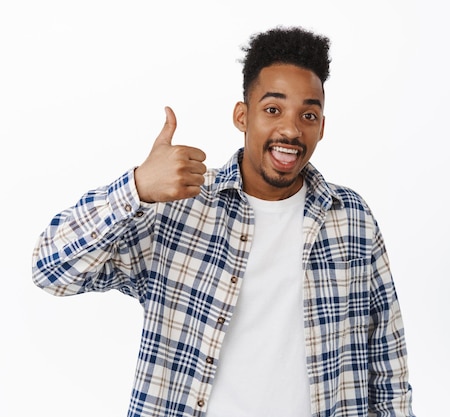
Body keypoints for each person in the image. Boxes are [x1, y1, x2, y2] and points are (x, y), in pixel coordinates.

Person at [32, 26, 415, 417]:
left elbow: (387, 360)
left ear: (322, 125)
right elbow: (51, 270)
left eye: (308, 114)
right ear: (241, 116)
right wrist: (137, 187)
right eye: (272, 109)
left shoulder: (350, 218)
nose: (290, 129)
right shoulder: (181, 206)